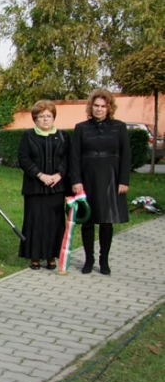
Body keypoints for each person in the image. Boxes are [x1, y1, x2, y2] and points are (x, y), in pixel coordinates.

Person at [70, 88, 131, 275]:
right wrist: (76, 180)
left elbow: (126, 155)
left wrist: (123, 180)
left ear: (109, 108)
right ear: (91, 107)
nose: (99, 109)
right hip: (87, 177)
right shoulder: (81, 128)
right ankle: (89, 260)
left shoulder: (119, 127)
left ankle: (104, 260)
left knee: (106, 221)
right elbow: (74, 156)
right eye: (96, 105)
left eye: (103, 106)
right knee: (88, 221)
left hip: (111, 178)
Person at [17, 100, 70, 273]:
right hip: (35, 187)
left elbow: (68, 158)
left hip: (56, 187)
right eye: (41, 116)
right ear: (35, 119)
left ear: (53, 117)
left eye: (48, 116)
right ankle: (35, 257)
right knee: (35, 222)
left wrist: (59, 174)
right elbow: (23, 158)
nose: (45, 119)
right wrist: (40, 175)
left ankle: (51, 256)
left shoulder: (63, 136)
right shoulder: (28, 136)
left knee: (54, 223)